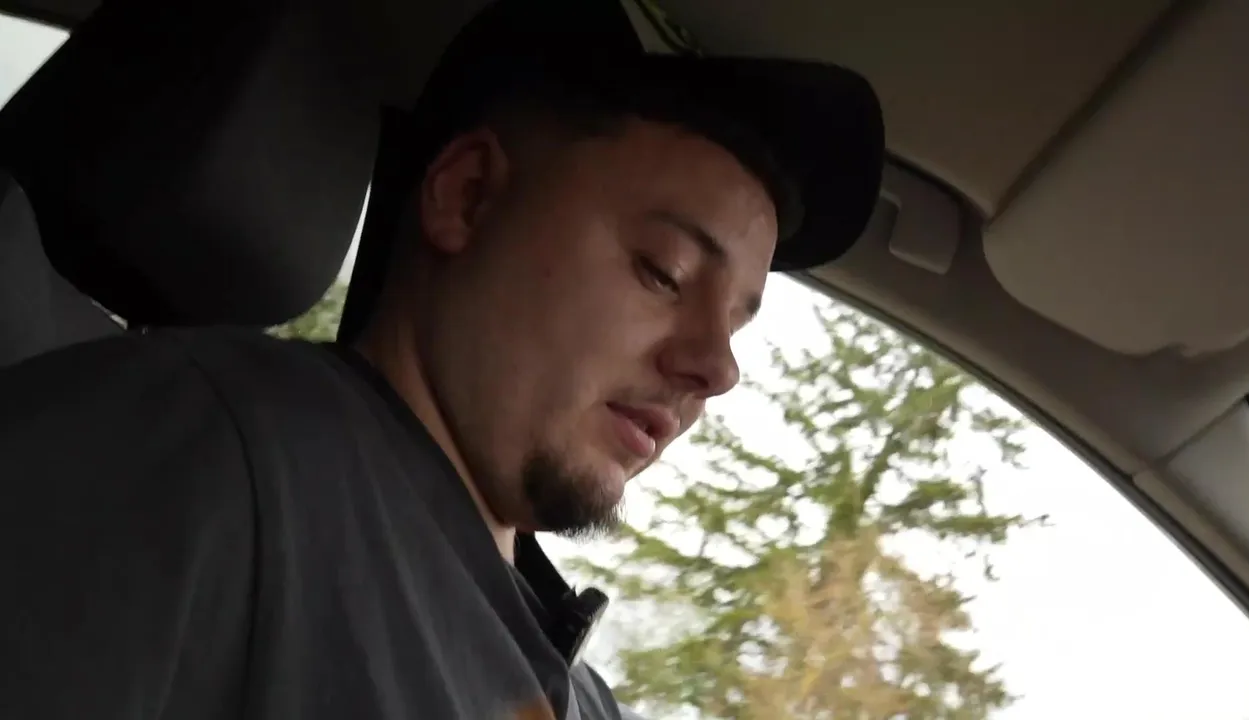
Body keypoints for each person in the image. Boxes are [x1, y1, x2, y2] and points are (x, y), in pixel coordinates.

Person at [0, 0, 882, 718]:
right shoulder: (189, 458)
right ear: (467, 196)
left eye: (736, 325)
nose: (717, 368)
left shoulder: (575, 689)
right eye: (666, 271)